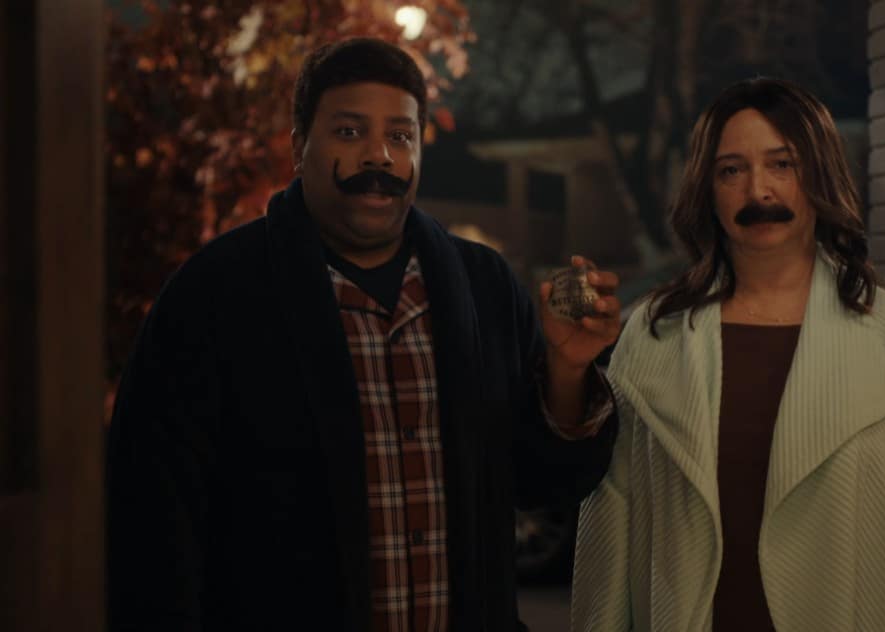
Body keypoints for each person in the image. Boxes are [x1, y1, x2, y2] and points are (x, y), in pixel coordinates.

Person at [107, 37, 621, 632]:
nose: (379, 156)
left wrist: (567, 371)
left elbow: (544, 484)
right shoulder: (213, 295)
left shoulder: (485, 287)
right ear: (299, 147)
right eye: (349, 132)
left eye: (400, 136)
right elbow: (152, 526)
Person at [571, 78, 885, 631]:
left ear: (819, 176)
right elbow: (609, 521)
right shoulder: (653, 333)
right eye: (731, 170)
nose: (758, 191)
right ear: (707, 189)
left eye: (782, 164)